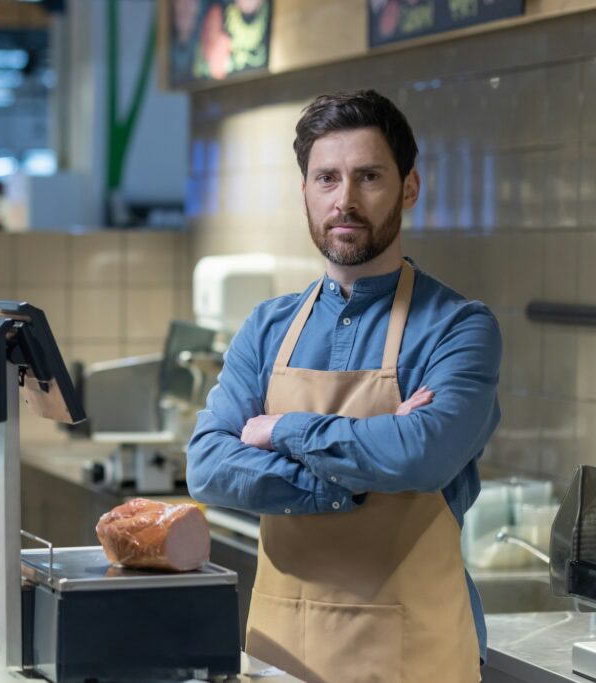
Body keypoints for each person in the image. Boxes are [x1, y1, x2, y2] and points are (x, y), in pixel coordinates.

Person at [187, 89, 501, 683]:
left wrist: (282, 429)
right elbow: (207, 465)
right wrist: (352, 482)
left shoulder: (459, 327)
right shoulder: (267, 327)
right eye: (326, 178)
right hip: (278, 655)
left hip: (414, 656)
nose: (345, 200)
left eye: (369, 177)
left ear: (409, 187)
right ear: (305, 189)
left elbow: (420, 456)